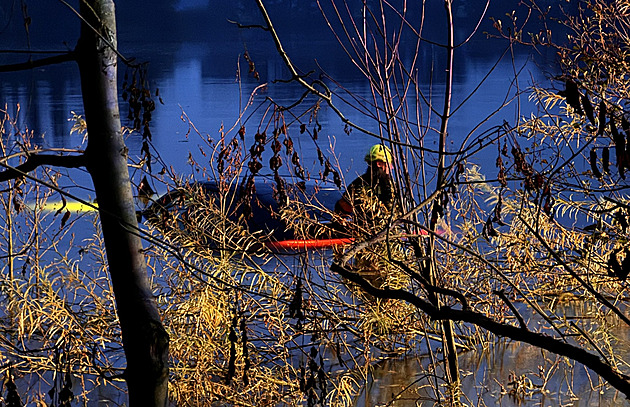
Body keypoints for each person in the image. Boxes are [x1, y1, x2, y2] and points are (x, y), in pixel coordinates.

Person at [335, 144, 396, 233]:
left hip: (365, 233)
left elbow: (341, 209)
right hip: (381, 233)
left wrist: (342, 225)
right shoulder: (360, 187)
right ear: (379, 164)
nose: (392, 167)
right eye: (389, 164)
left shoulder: (357, 185)